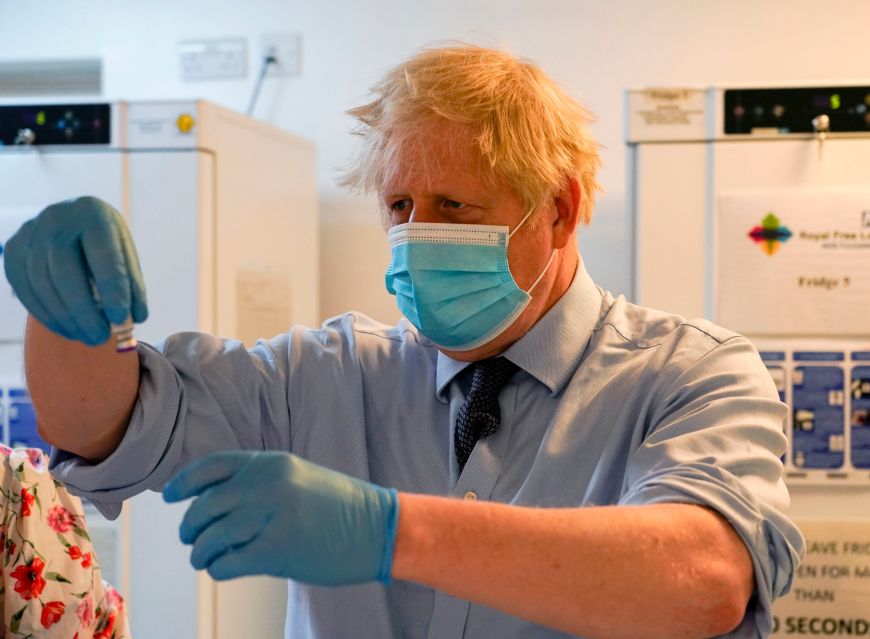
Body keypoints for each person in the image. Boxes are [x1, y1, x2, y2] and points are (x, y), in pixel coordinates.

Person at [2, 45, 803, 638]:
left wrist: (394, 532)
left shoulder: (691, 372)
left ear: (559, 209)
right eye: (400, 205)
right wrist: (66, 315)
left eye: (454, 205)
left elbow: (703, 577)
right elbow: (101, 424)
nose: (419, 235)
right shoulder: (329, 373)